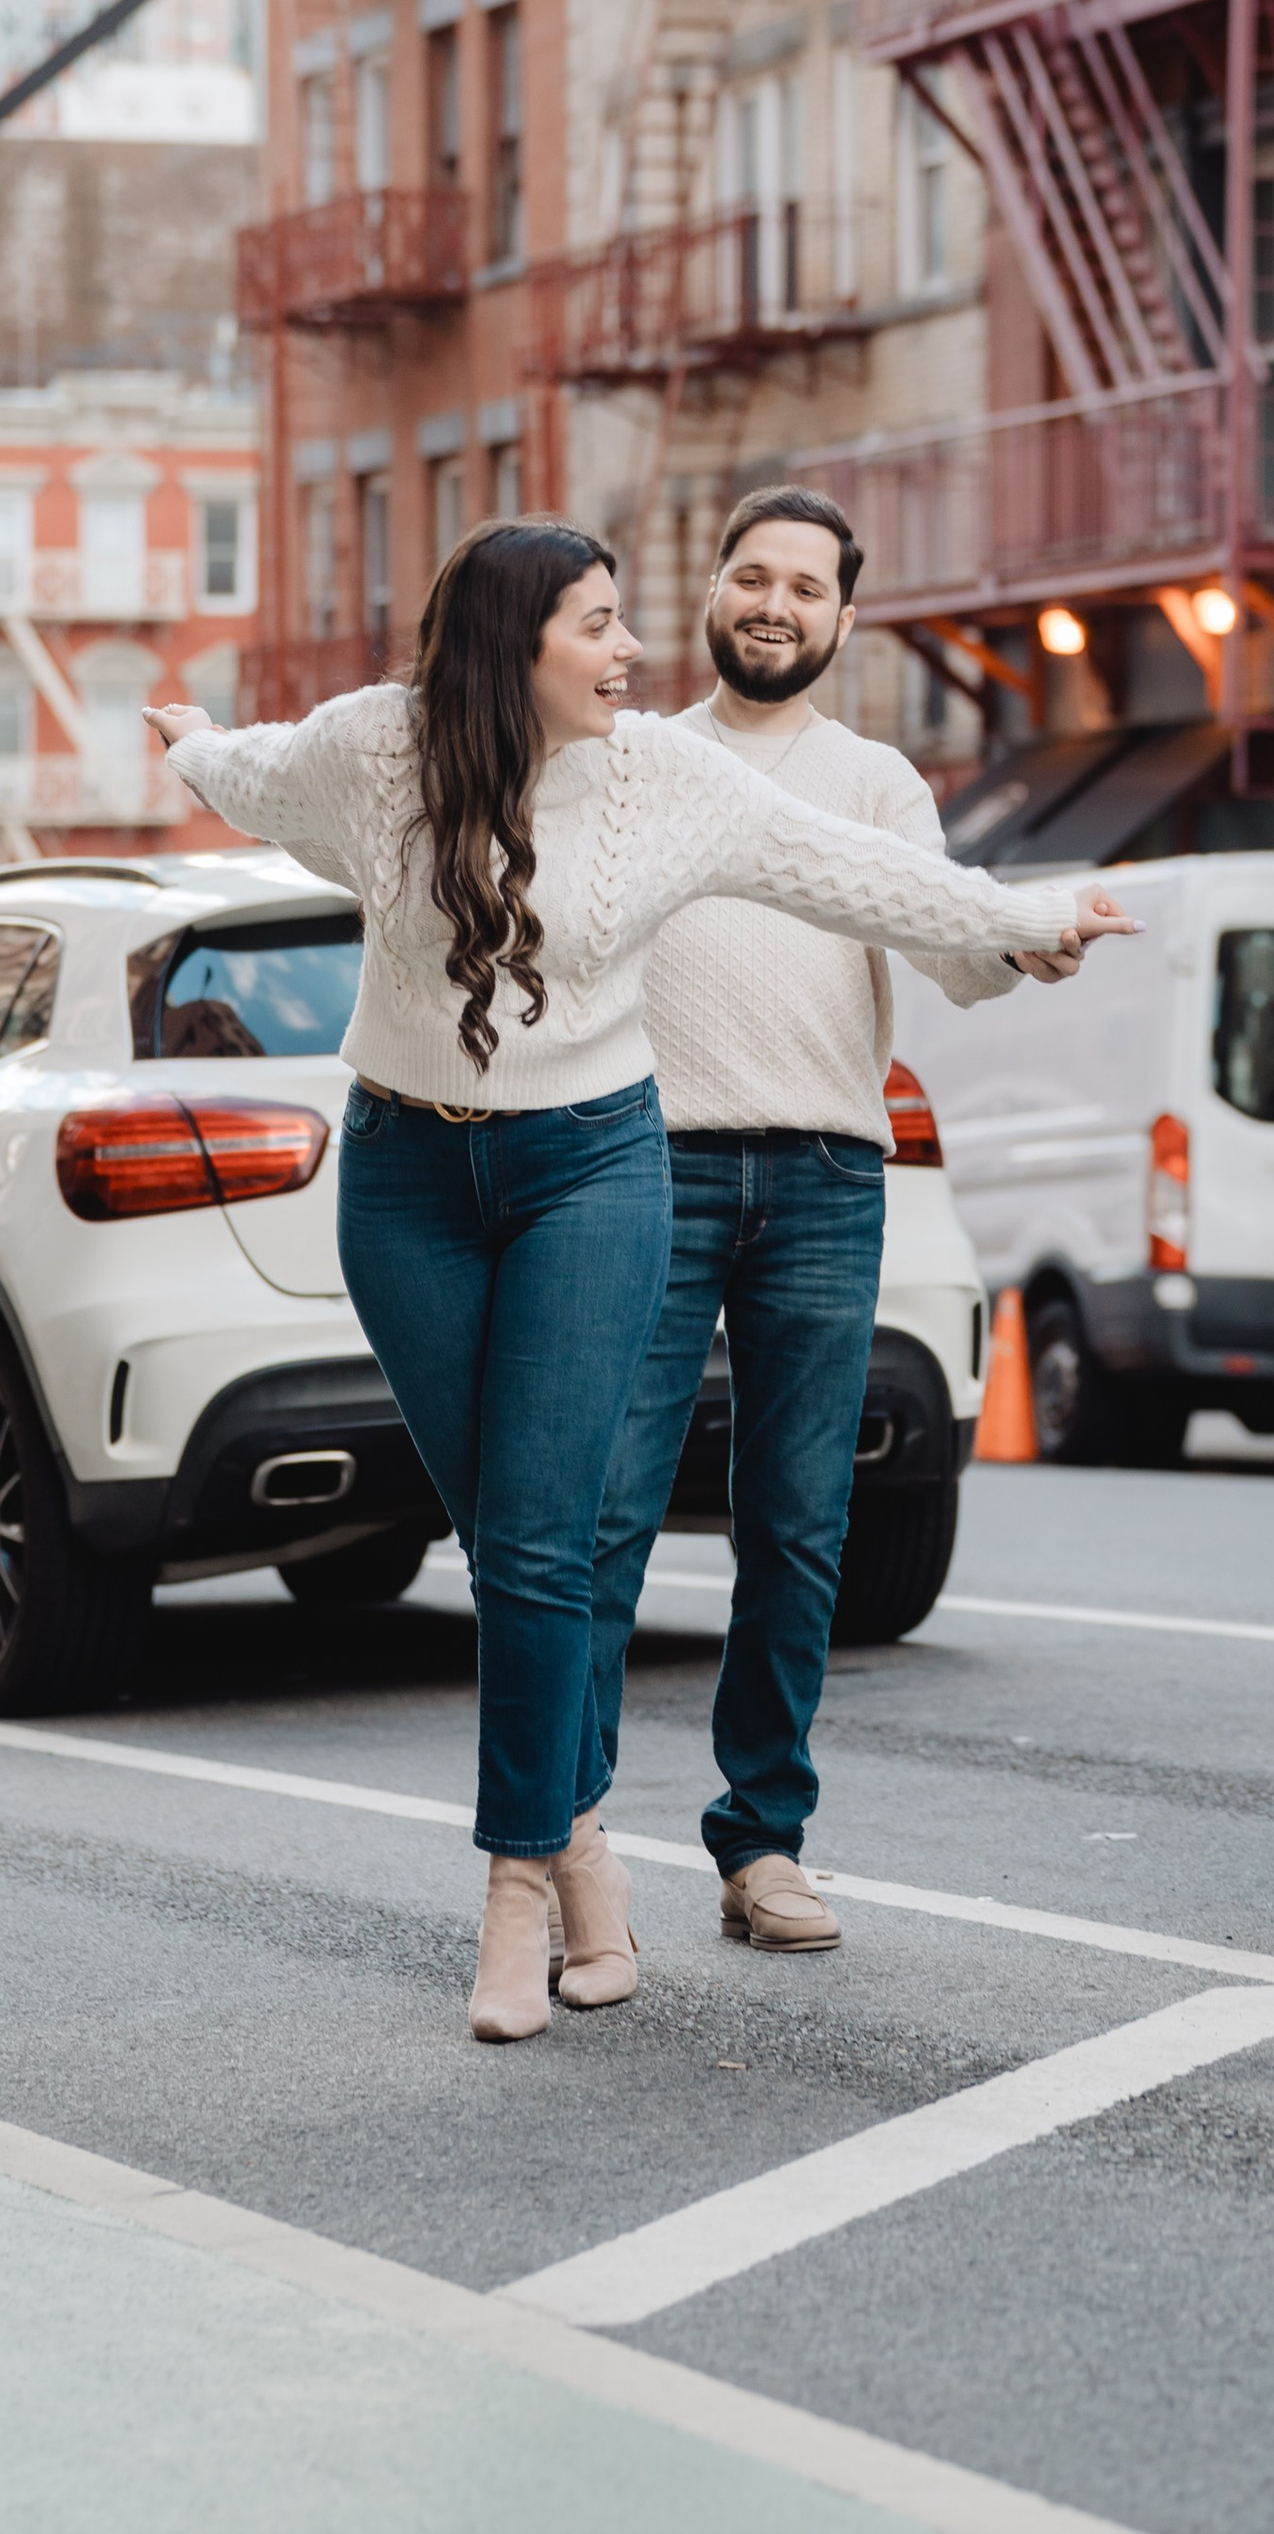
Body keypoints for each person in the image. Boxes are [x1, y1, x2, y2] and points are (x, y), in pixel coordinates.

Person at [144, 518, 1106, 2045]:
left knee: (540, 1545)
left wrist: (1026, 921)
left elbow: (858, 870)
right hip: (402, 1178)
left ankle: (515, 1892)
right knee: (512, 1536)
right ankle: (583, 1840)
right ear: (512, 641)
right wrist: (195, 742)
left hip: (591, 1164)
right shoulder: (378, 751)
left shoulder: (664, 780)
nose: (630, 652)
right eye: (598, 624)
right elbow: (257, 775)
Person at [587, 487, 1135, 1953]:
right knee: (605, 1515)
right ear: (709, 591)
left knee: (798, 1526)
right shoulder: (631, 761)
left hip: (827, 1181)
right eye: (749, 574)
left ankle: (762, 1843)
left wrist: (1037, 947)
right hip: (651, 1166)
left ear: (843, 617)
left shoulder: (877, 784)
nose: (774, 604)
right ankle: (565, 1845)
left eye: (805, 587)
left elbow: (953, 945)